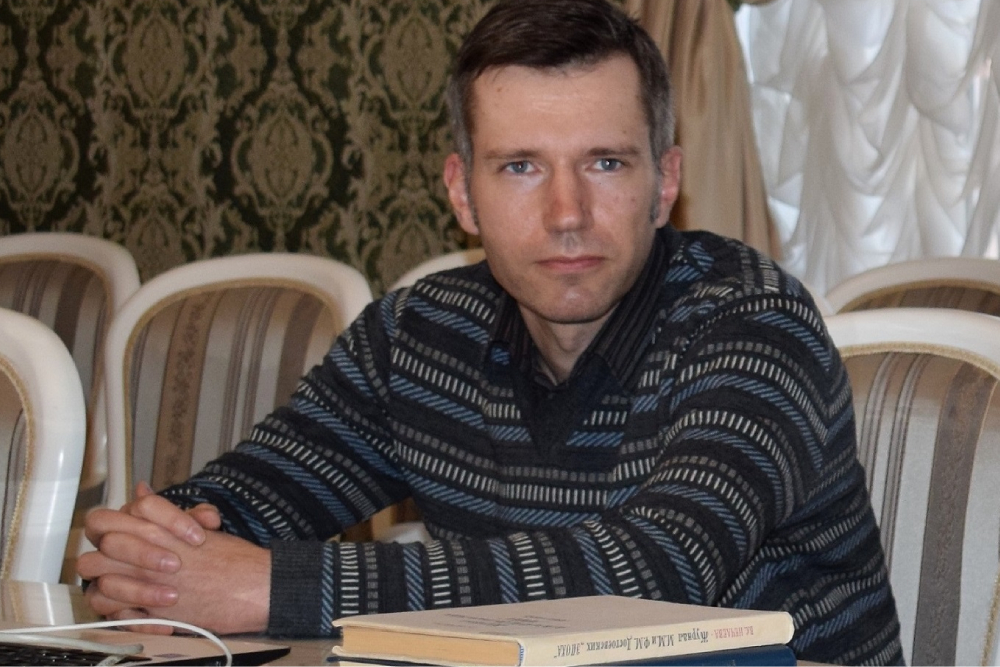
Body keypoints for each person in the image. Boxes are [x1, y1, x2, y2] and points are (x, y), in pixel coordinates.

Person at [78, 0, 903, 663]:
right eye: (520, 167)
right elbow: (242, 502)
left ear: (665, 183)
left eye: (606, 162)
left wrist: (276, 587)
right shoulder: (420, 333)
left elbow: (659, 571)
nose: (567, 212)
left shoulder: (753, 320)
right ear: (462, 194)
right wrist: (157, 551)